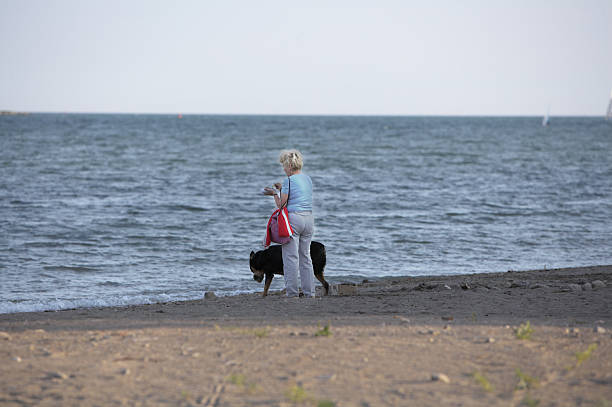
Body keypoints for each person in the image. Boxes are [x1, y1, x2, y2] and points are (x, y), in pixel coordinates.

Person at [263, 149, 315, 298]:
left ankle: (292, 293)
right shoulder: (307, 179)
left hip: (294, 219)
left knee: (291, 258)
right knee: (305, 257)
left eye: (284, 166)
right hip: (309, 219)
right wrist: (282, 189)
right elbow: (298, 195)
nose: (284, 170)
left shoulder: (289, 181)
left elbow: (281, 205)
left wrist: (274, 194)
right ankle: (310, 292)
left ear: (290, 166)